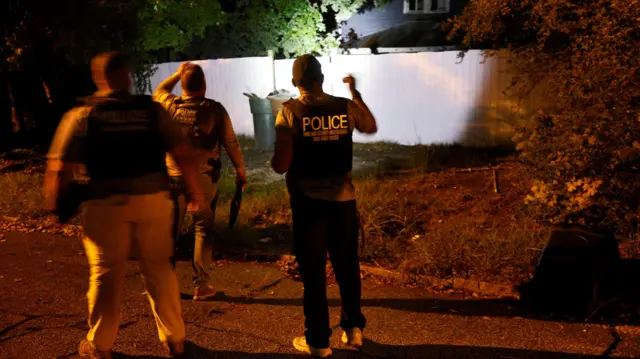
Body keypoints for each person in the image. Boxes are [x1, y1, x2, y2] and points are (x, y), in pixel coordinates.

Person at [43, 52, 205, 359]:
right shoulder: (151, 111)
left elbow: (59, 167)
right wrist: (196, 192)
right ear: (127, 76)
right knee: (159, 269)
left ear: (99, 78)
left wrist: (55, 210)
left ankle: (100, 344)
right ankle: (175, 340)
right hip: (154, 202)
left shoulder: (83, 115)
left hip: (106, 206)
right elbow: (183, 153)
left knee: (106, 272)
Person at [271, 54, 377, 357]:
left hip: (308, 205)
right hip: (344, 201)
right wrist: (356, 94)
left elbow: (281, 165)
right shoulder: (345, 106)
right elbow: (369, 126)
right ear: (321, 79)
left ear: (295, 82)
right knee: (347, 265)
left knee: (314, 273)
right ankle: (353, 330)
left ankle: (318, 342)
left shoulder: (289, 112)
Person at [153, 62, 247, 301]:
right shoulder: (215, 109)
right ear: (204, 85)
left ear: (182, 84)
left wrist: (176, 73)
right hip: (205, 179)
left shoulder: (168, 105)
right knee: (203, 230)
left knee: (168, 233)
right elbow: (231, 142)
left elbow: (158, 91)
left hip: (173, 178)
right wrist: (240, 170)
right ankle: (201, 285)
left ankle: (164, 284)